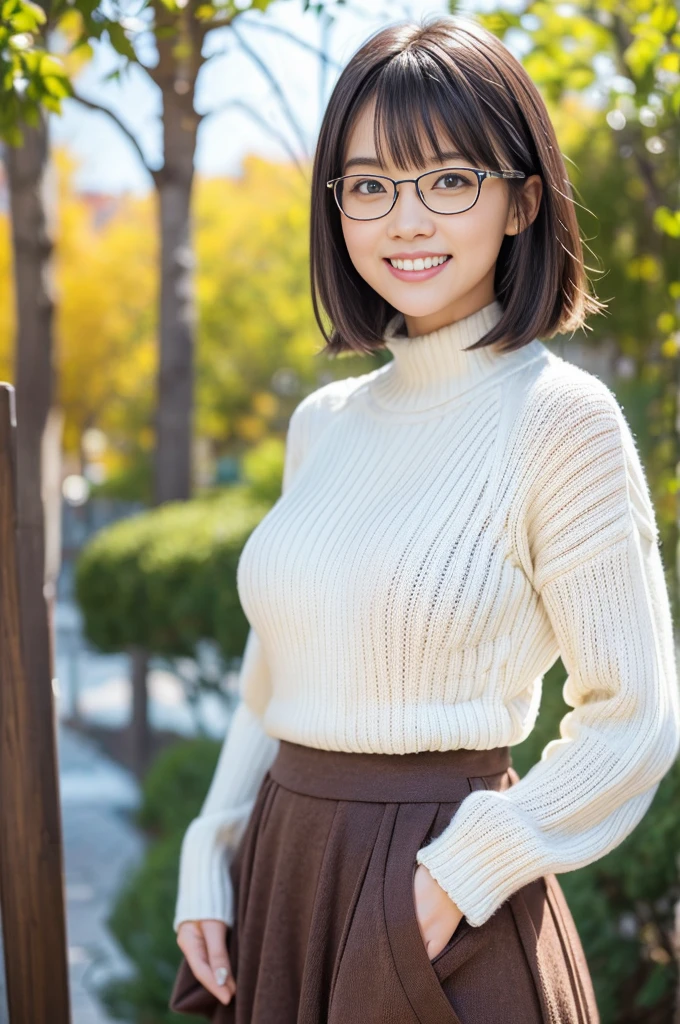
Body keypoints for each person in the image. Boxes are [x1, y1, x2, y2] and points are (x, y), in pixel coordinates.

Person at [168, 14, 680, 1024]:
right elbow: (276, 666)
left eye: (446, 181)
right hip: (285, 872)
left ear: (521, 201)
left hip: (443, 901)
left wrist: (452, 879)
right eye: (367, 186)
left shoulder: (560, 421)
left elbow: (634, 718)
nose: (403, 220)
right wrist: (210, 843)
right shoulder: (322, 424)